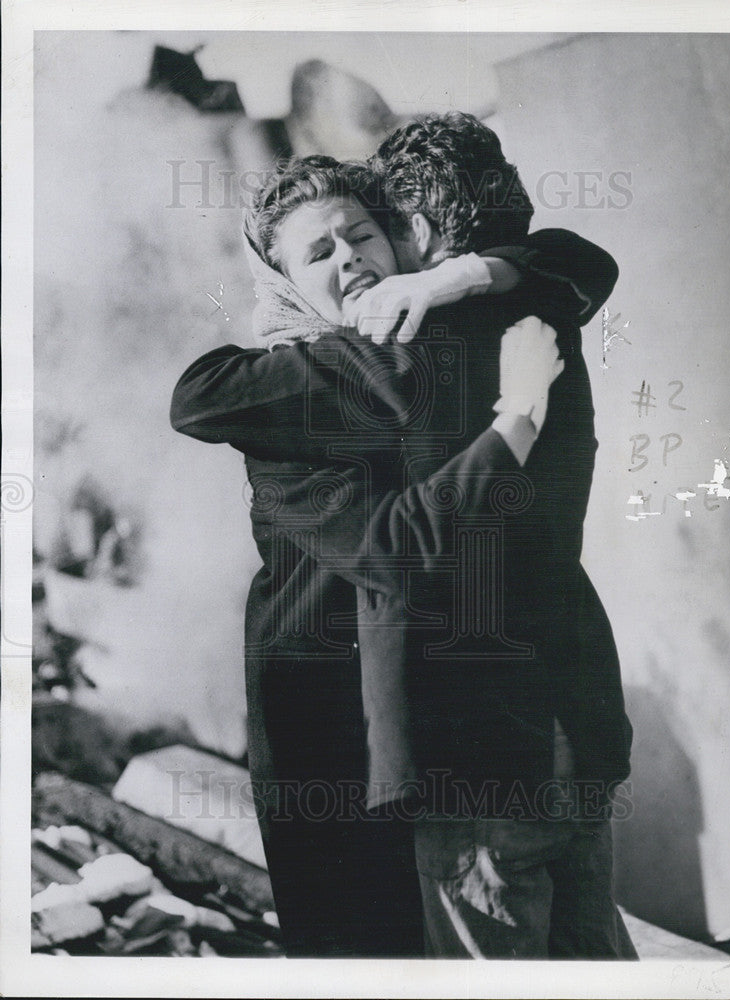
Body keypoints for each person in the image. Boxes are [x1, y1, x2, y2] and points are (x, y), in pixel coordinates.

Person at [171, 118, 632, 957]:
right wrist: (515, 409)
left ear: (404, 240)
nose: (349, 256)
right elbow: (200, 397)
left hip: (443, 739)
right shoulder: (301, 390)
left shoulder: (427, 343)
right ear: (283, 285)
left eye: (361, 234)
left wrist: (459, 279)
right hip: (329, 726)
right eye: (319, 253)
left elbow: (572, 261)